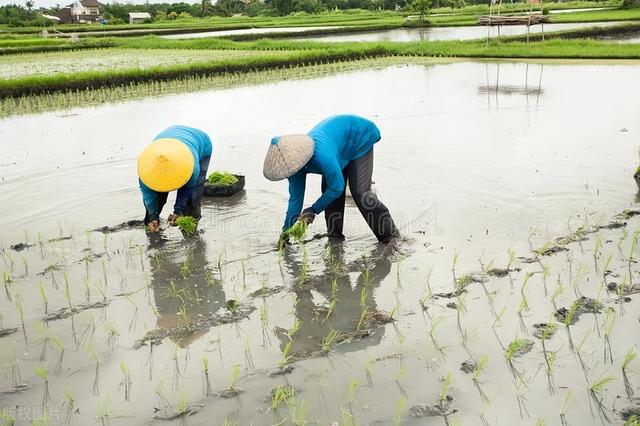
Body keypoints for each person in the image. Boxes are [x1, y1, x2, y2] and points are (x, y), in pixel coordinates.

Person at [263, 114, 399, 244]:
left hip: (359, 137)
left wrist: (313, 209)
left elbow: (337, 187)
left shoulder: (322, 156)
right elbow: (295, 201)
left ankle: (390, 237)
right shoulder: (292, 168)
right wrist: (286, 233)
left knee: (360, 193)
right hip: (338, 146)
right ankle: (335, 237)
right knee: (329, 195)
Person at [137, 125, 212, 233]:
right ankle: (152, 223)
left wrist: (178, 210)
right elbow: (149, 196)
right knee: (156, 200)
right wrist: (153, 216)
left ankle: (191, 231)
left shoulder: (191, 166)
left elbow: (187, 188)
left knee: (192, 198)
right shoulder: (145, 169)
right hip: (166, 142)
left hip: (201, 143)